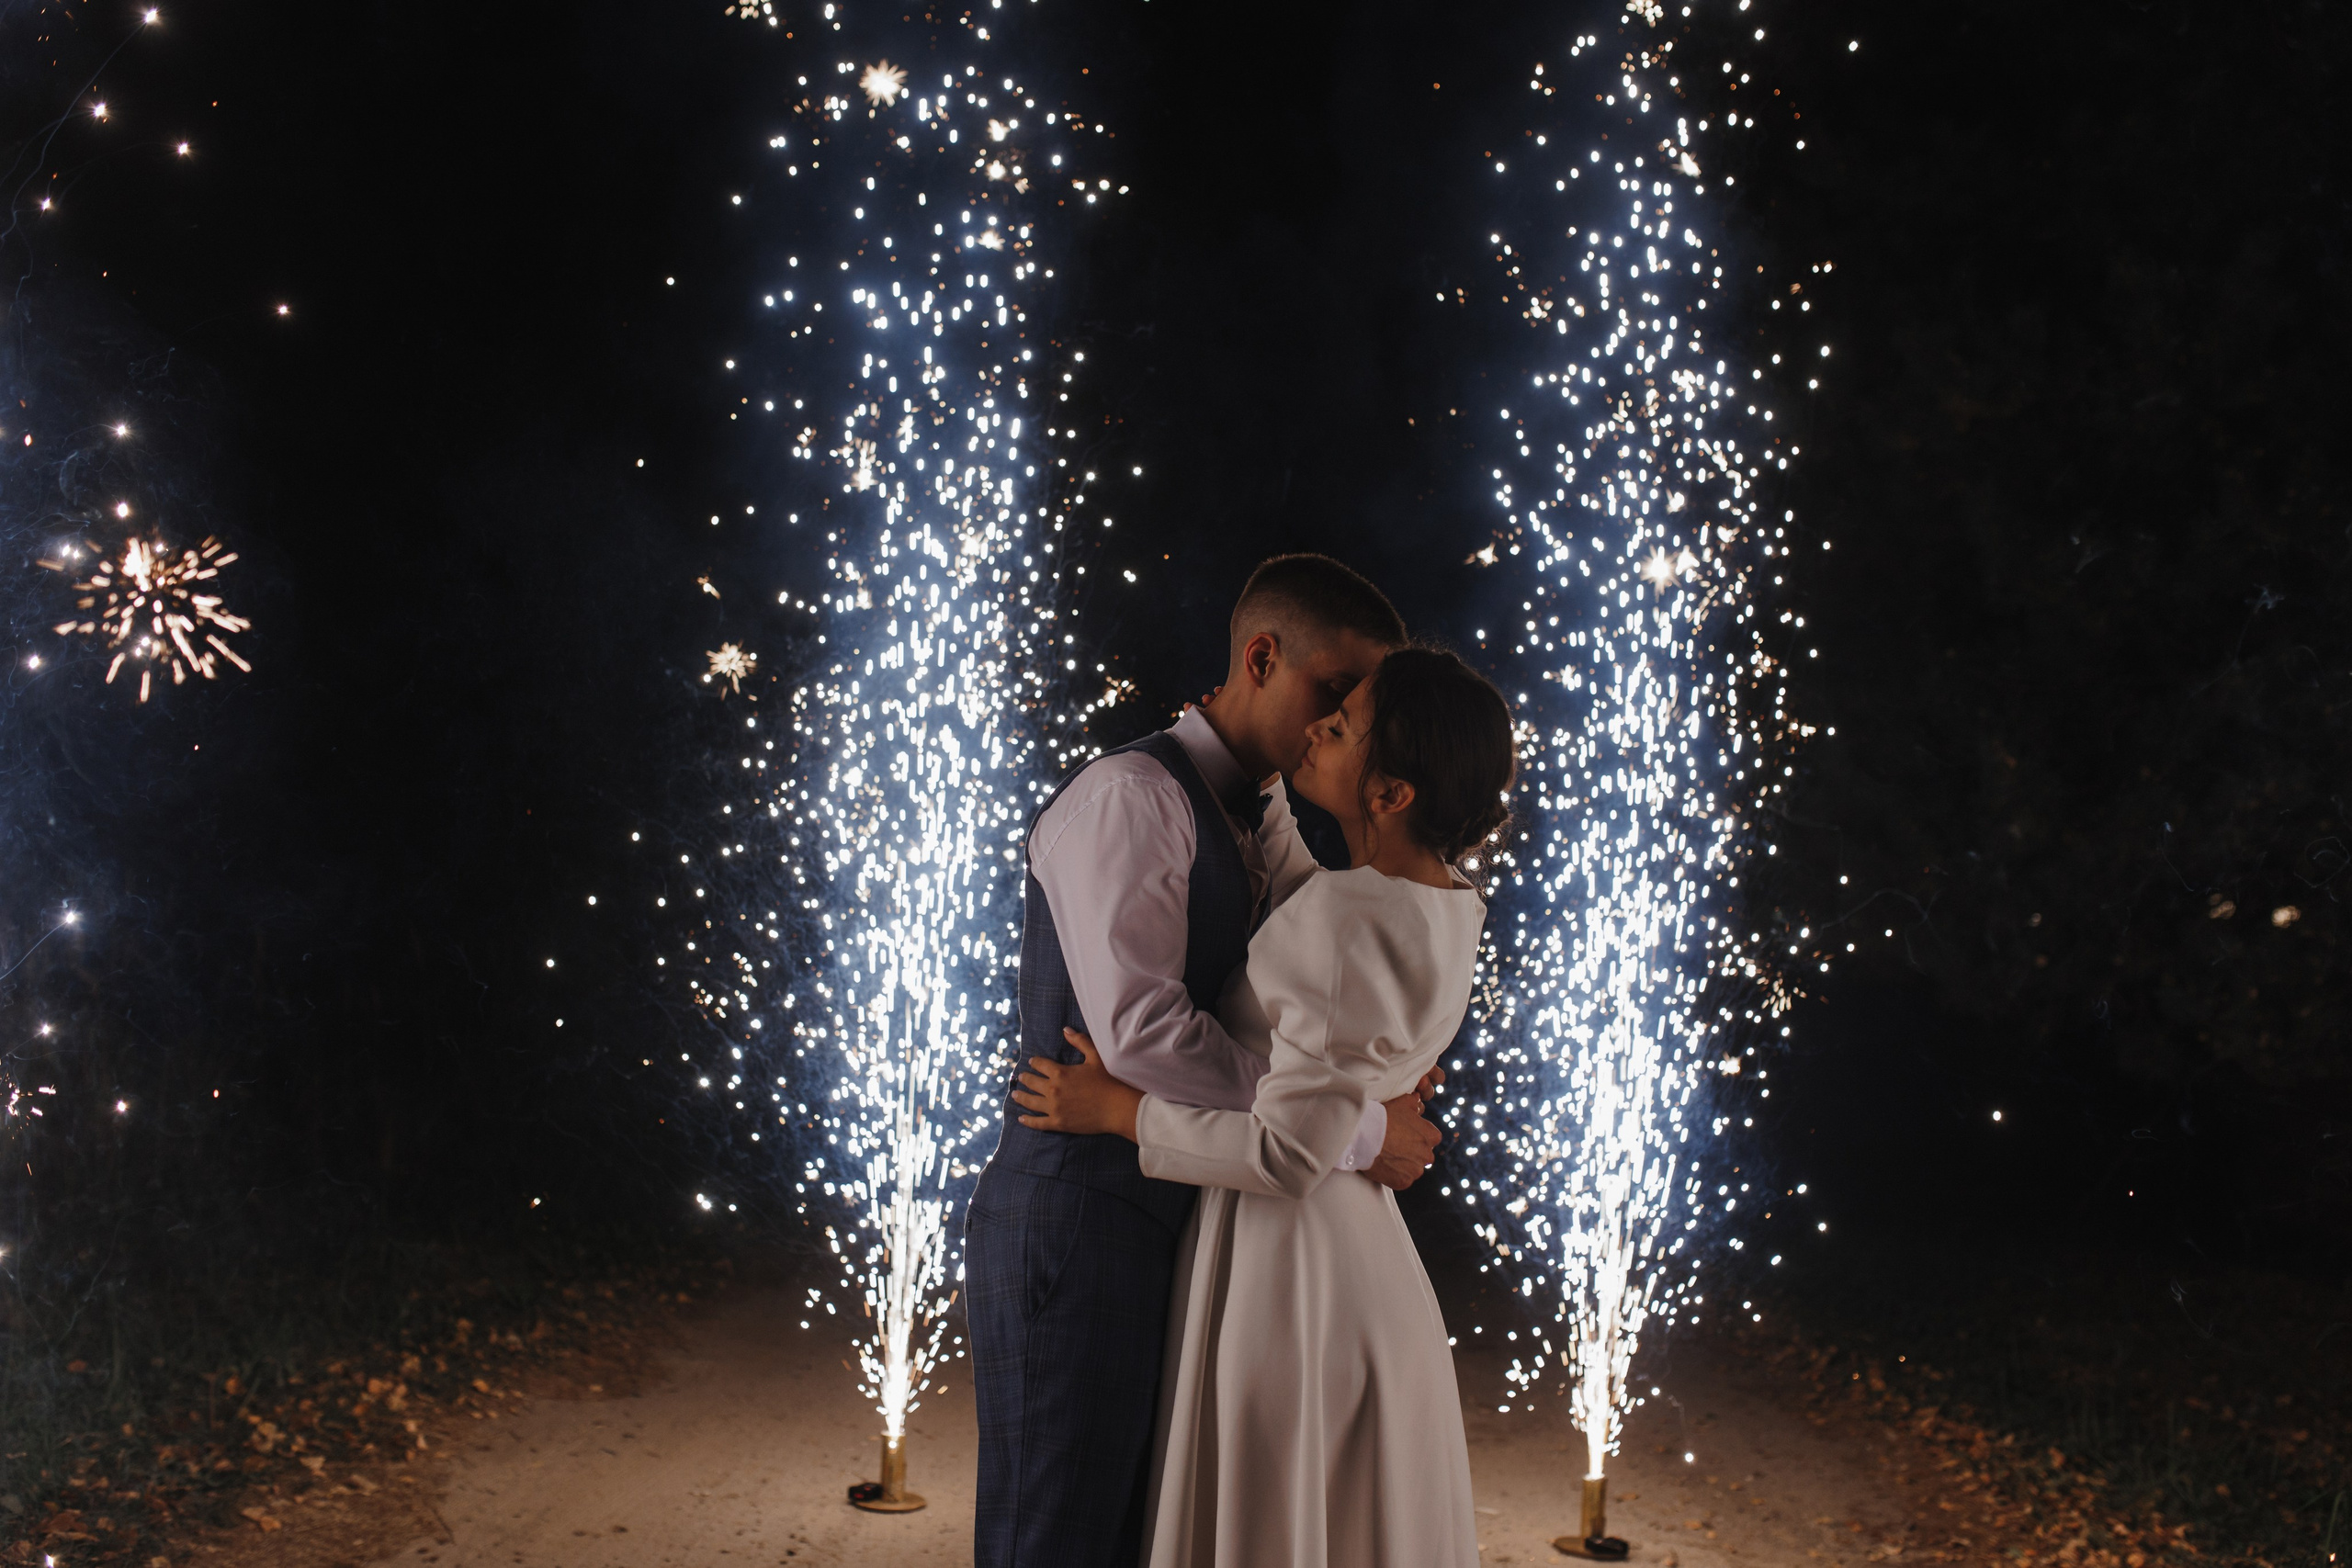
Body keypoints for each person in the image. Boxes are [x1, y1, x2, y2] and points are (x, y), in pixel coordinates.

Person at [965, 555, 1449, 1568]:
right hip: (1080, 1216)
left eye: (1354, 713)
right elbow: (1145, 1038)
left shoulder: (1263, 812)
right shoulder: (1131, 798)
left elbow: (1340, 974)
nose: (1335, 727)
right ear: (1260, 658)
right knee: (1054, 1540)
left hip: (1169, 1219)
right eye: (1332, 694)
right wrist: (1357, 1131)